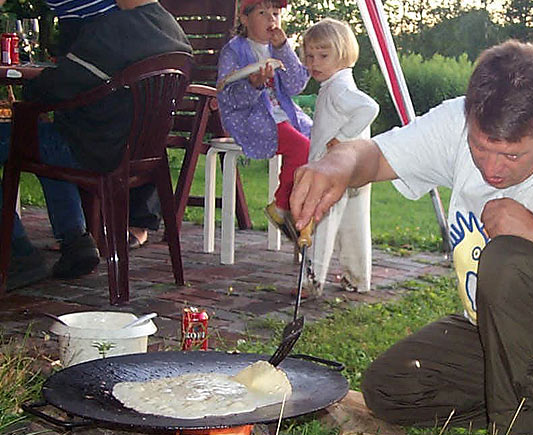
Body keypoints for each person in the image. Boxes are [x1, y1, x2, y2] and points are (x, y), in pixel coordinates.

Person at [290, 40, 533, 435]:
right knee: (390, 388)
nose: (492, 170)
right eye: (481, 147)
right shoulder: (459, 123)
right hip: (504, 332)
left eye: (512, 154)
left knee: (509, 257)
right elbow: (377, 155)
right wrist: (336, 164)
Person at [1, 0, 191, 287]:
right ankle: (75, 241)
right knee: (43, 134)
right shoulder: (175, 33)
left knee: (36, 137)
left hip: (92, 150)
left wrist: (30, 88)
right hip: (138, 151)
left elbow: (56, 86)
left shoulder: (111, 31)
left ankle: (17, 252)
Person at [217, 0, 311, 243]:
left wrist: (284, 50)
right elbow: (227, 95)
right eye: (262, 13)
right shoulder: (234, 50)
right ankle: (281, 206)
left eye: (276, 13)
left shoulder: (278, 49)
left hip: (286, 116)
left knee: (322, 141)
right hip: (251, 119)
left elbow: (296, 85)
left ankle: (305, 218)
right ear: (244, 19)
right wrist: (253, 85)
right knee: (302, 147)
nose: (272, 19)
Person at [300, 18, 378, 296]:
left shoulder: (339, 88)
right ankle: (358, 278)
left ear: (344, 54)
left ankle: (313, 279)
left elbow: (369, 108)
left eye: (323, 56)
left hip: (337, 169)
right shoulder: (337, 84)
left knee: (322, 220)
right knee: (353, 224)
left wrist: (341, 139)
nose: (314, 63)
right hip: (358, 166)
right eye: (310, 56)